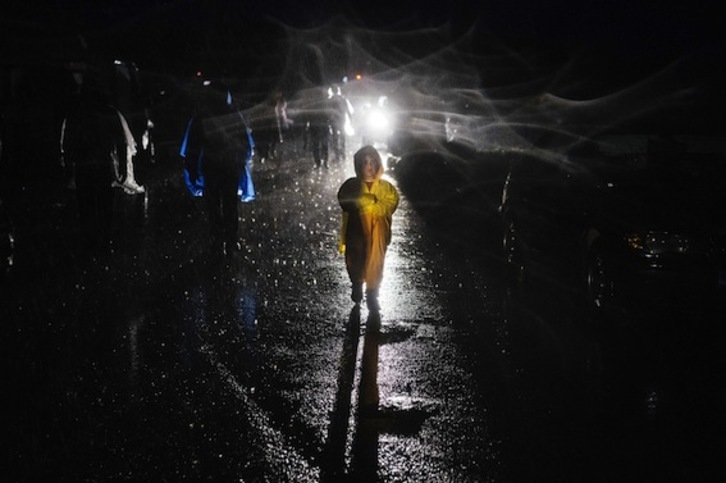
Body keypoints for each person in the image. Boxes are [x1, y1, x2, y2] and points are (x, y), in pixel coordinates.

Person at [182, 82, 253, 255]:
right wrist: (241, 161)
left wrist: (191, 169)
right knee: (229, 204)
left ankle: (218, 239)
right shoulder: (232, 115)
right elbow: (244, 144)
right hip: (228, 166)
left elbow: (193, 147)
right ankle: (229, 240)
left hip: (212, 168)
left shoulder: (202, 117)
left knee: (214, 205)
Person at [63, 77, 127, 254]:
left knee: (87, 206)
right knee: (104, 205)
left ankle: (90, 241)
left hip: (85, 167)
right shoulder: (108, 112)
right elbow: (120, 141)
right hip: (102, 165)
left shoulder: (76, 114)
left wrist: (68, 168)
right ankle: (104, 240)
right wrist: (122, 167)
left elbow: (68, 143)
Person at [337, 145, 399, 311]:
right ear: (358, 166)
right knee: (355, 260)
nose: (369, 166)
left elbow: (391, 203)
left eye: (373, 162)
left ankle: (373, 293)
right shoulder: (351, 186)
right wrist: (364, 200)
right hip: (355, 232)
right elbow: (345, 201)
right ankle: (357, 283)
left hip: (377, 234)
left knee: (375, 263)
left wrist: (375, 208)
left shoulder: (385, 187)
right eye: (365, 163)